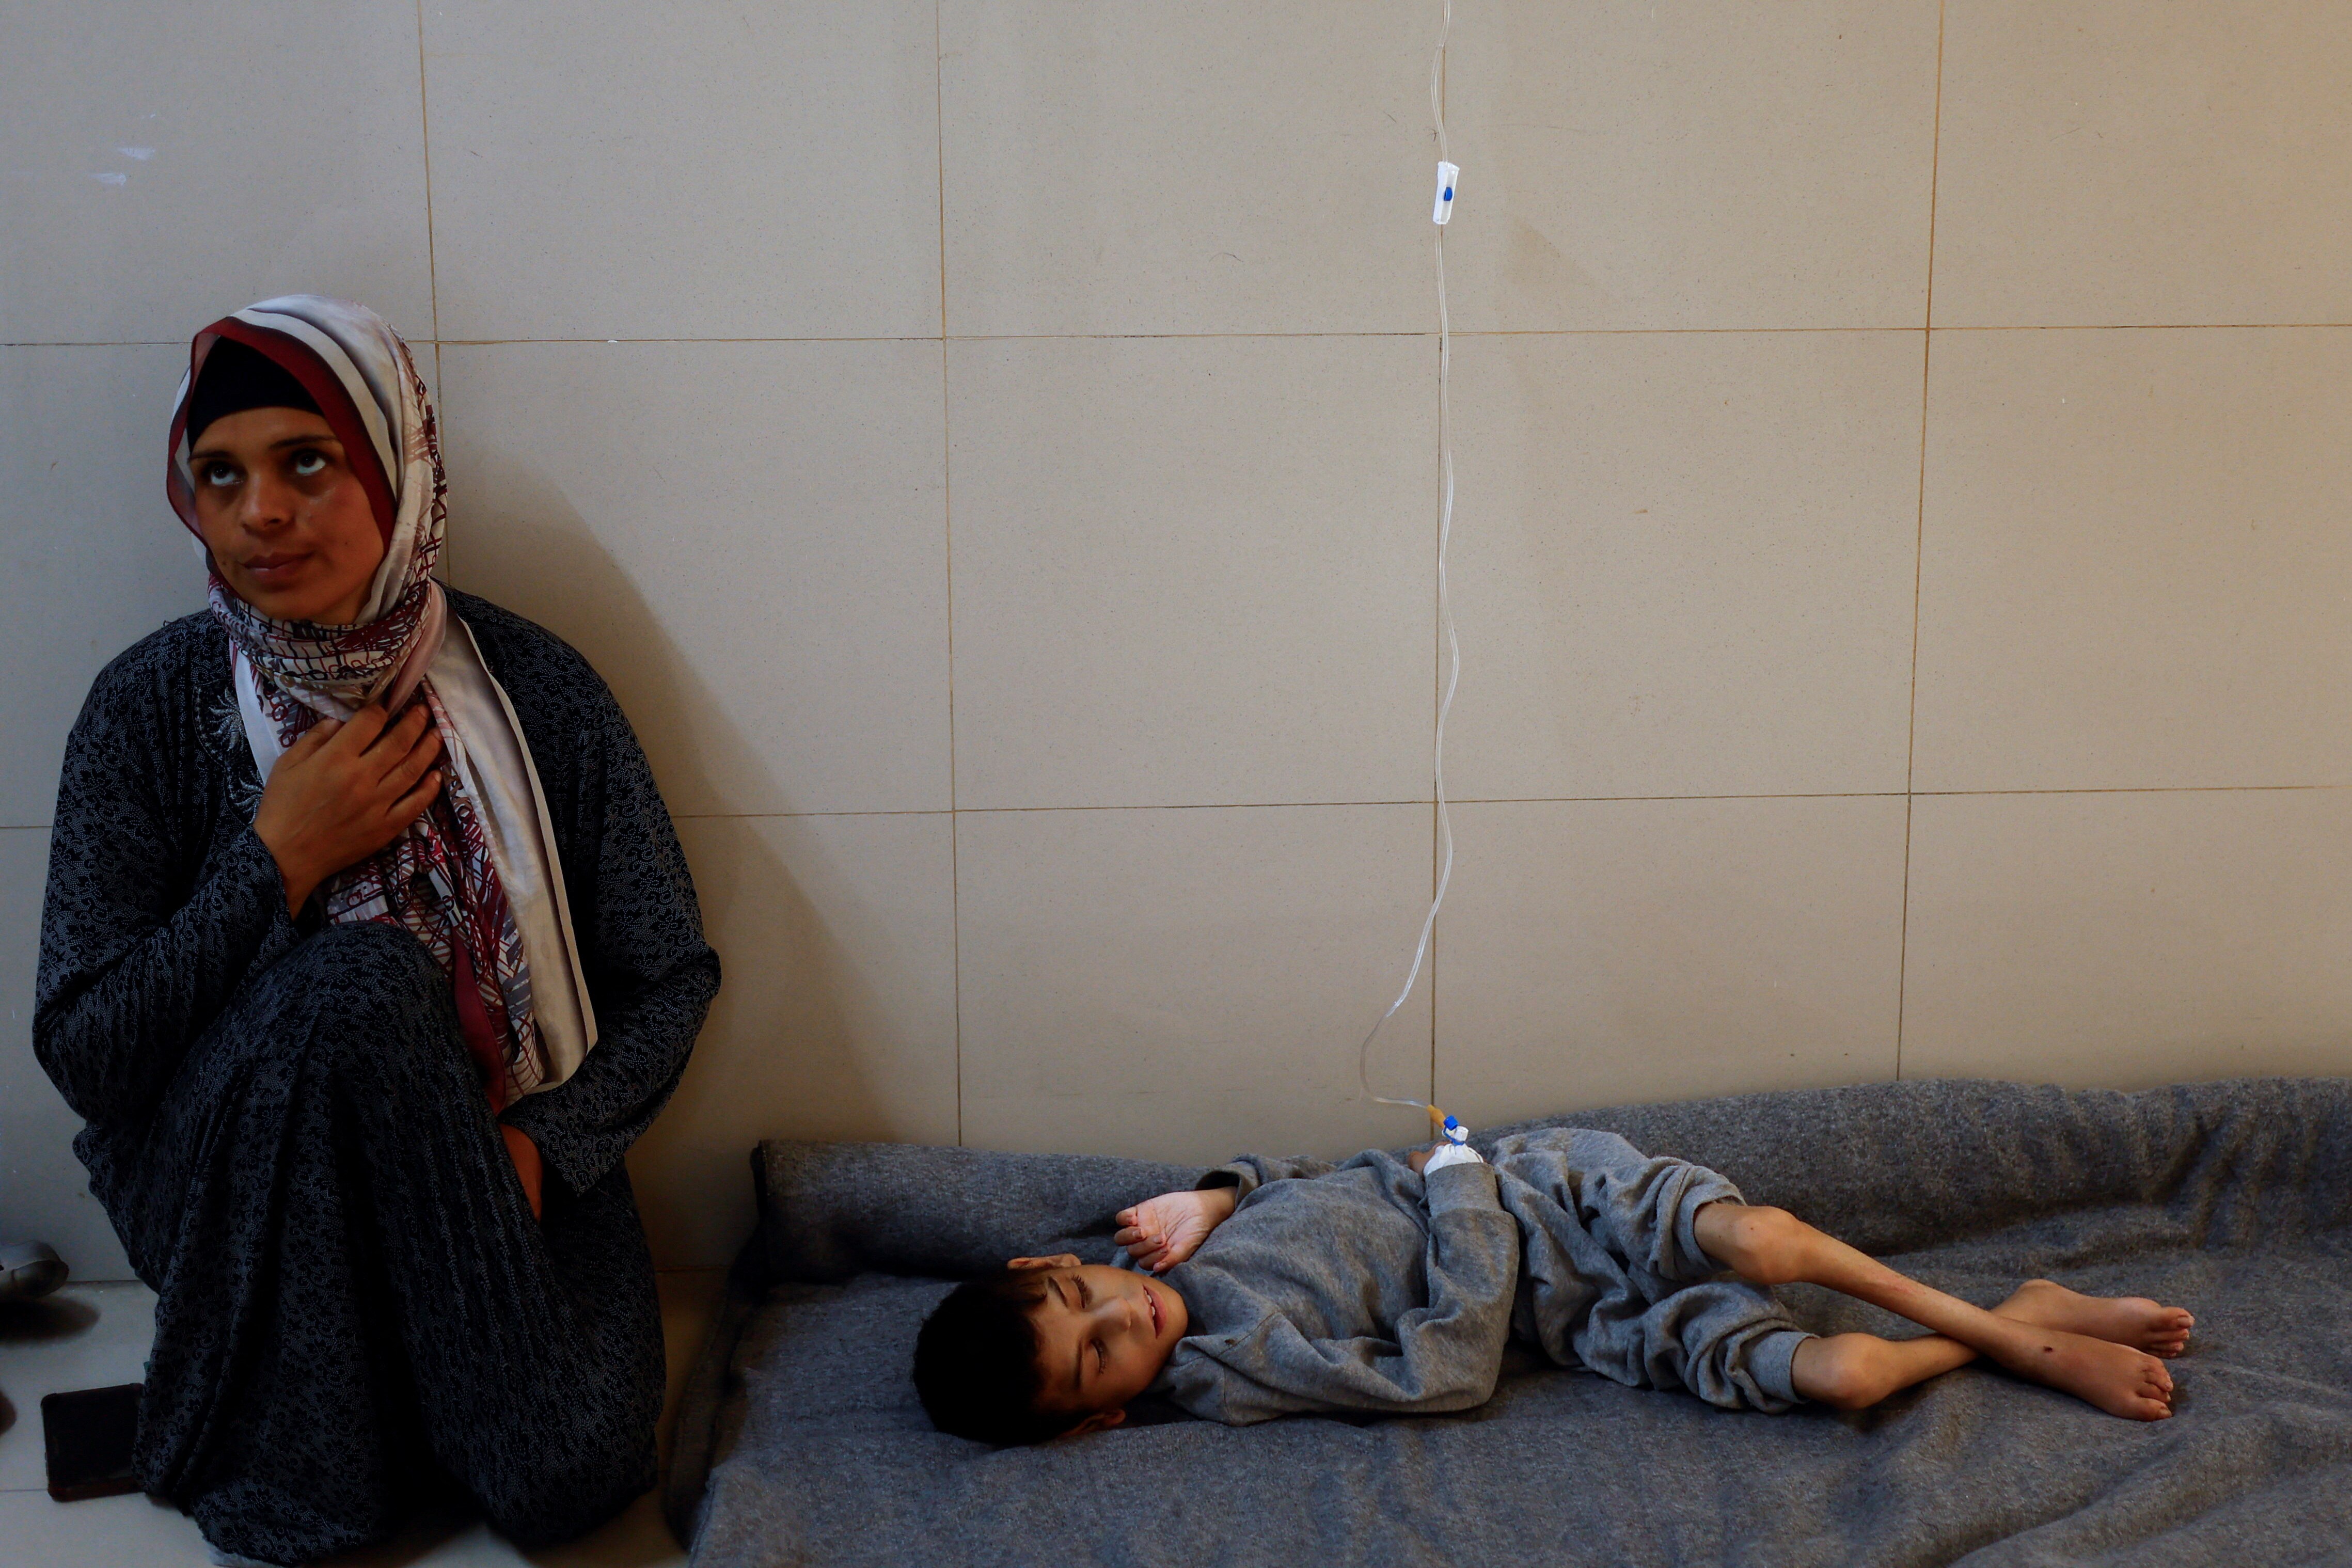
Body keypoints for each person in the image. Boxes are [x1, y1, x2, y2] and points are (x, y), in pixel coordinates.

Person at [33, 296, 720, 1566]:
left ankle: (361, 1407)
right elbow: (88, 1051)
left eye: (308, 461)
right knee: (360, 984)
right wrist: (274, 864)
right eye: (220, 474)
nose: (261, 511)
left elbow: (668, 973)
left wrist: (548, 1143)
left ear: (400, 469)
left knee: (579, 1471)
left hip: (489, 1165)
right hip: (216, 1190)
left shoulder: (536, 692)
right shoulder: (147, 709)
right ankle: (328, 1437)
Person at [912, 1127, 2193, 1444]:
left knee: (1765, 1243)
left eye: (1082, 1299)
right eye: (1098, 1357)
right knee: (1847, 1373)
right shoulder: (1235, 1370)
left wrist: (1218, 1189)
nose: (1119, 1317)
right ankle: (2017, 1318)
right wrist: (1458, 1191)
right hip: (1574, 1310)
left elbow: (1322, 1174)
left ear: (1048, 1265)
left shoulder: (1151, 1244)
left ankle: (2028, 1346)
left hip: (1554, 1190)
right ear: (1100, 1415)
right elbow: (1445, 1372)